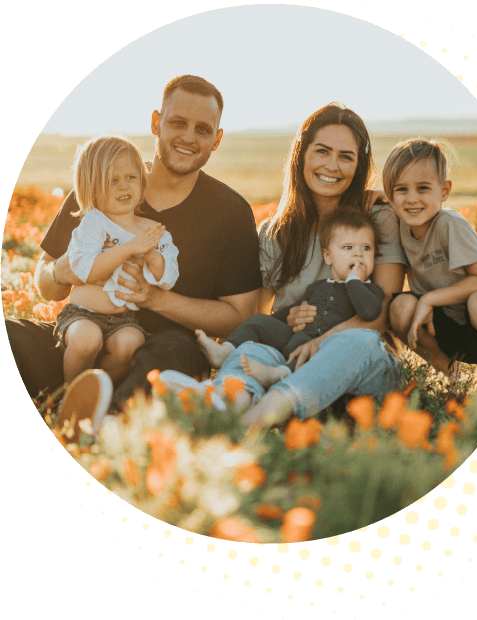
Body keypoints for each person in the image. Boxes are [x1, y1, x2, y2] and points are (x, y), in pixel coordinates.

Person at [5, 75, 262, 437]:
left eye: (202, 129)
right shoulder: (101, 182)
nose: (189, 137)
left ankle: (106, 421)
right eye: (177, 123)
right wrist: (67, 269)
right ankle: (74, 400)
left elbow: (238, 317)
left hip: (162, 352)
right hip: (83, 338)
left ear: (216, 140)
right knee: (13, 336)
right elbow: (46, 283)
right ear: (156, 122)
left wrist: (154, 298)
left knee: (175, 352)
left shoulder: (230, 212)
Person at [195, 103, 407, 428]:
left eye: (346, 156)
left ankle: (259, 417)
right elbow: (259, 311)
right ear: (301, 154)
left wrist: (319, 341)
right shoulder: (274, 232)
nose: (332, 166)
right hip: (289, 357)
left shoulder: (378, 219)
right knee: (254, 348)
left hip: (360, 368)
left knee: (355, 342)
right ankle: (223, 407)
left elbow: (382, 315)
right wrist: (289, 316)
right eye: (322, 151)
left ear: (359, 165)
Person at [196, 208, 385, 388]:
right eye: (348, 247)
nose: (358, 254)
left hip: (325, 349)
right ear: (328, 256)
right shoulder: (318, 286)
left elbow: (369, 312)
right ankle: (225, 352)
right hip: (294, 338)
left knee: (311, 353)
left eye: (366, 248)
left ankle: (279, 373)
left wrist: (354, 281)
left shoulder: (371, 292)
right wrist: (274, 322)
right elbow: (289, 311)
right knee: (258, 321)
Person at [385, 138, 477, 381]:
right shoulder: (401, 226)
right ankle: (449, 373)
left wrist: (429, 299)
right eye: (401, 189)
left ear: (444, 191)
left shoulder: (450, 225)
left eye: (423, 188)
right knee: (399, 307)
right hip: (443, 327)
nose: (412, 198)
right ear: (390, 195)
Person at [56, 135, 179, 385]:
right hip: (82, 313)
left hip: (124, 319)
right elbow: (86, 271)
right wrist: (130, 248)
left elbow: (167, 279)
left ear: (143, 182)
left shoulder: (153, 230)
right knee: (86, 340)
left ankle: (99, 395)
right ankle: (70, 395)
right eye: (112, 181)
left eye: (130, 177)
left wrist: (151, 255)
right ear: (92, 187)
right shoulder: (93, 222)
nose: (124, 186)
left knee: (130, 343)